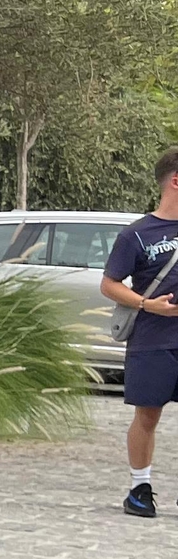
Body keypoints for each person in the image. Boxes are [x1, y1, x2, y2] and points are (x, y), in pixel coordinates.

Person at [103, 145, 178, 517]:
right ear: (176, 181)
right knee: (148, 416)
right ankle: (140, 489)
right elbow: (110, 283)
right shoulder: (137, 234)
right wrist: (148, 305)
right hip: (152, 339)